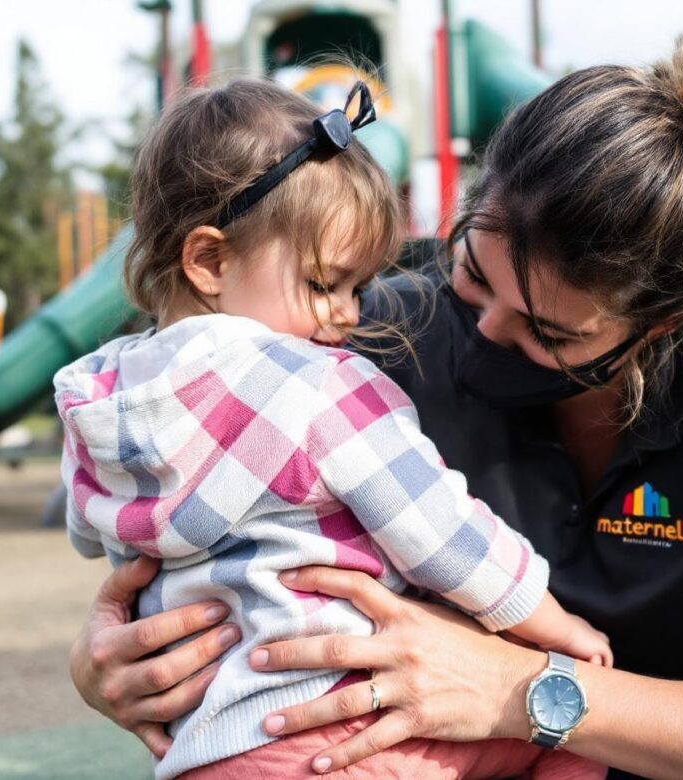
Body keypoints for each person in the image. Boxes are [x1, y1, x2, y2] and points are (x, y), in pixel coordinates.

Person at [68, 34, 683, 780]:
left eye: (549, 331)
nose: (486, 329)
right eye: (471, 267)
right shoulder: (381, 326)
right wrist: (107, 659)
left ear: (663, 327)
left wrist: (526, 690)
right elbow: (209, 465)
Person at [53, 77, 609, 780]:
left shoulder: (97, 399)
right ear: (210, 261)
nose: (348, 315)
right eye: (325, 284)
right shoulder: (322, 387)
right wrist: (554, 626)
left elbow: (88, 530)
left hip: (201, 744)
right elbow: (441, 532)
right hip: (336, 721)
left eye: (357, 287)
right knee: (576, 732)